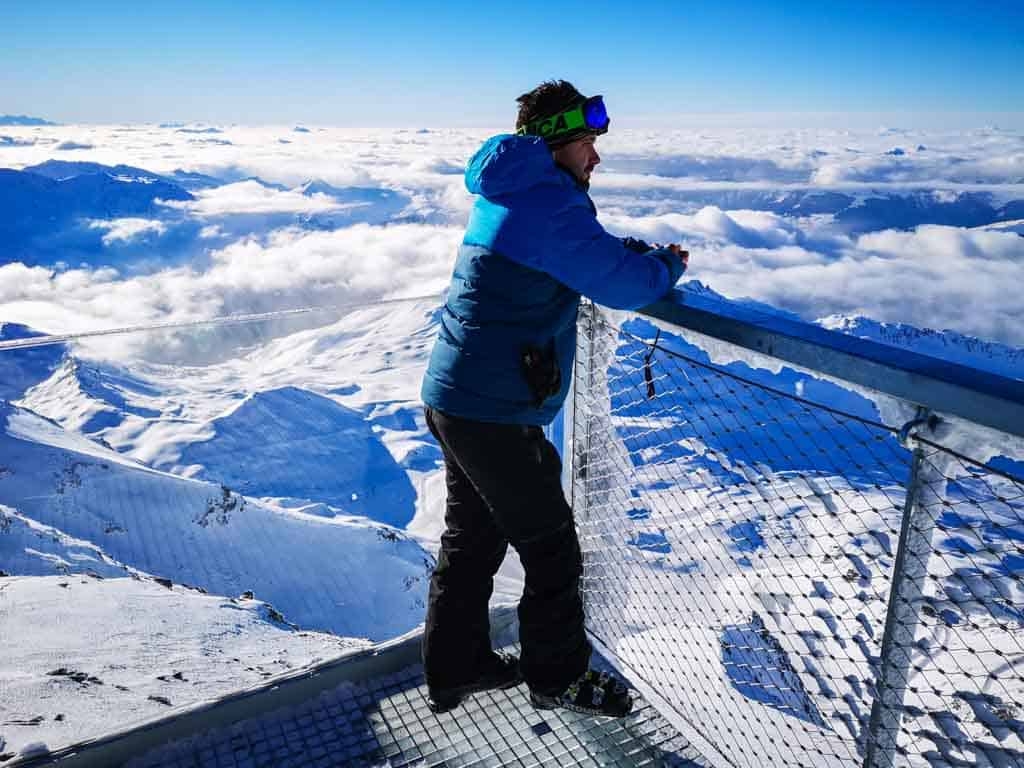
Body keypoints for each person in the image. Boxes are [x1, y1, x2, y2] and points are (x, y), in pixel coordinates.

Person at [420, 80, 688, 717]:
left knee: (472, 538)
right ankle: (557, 677)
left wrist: (619, 252)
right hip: (492, 413)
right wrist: (667, 264)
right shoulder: (546, 201)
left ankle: (457, 666)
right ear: (556, 143)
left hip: (458, 395)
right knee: (552, 547)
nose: (595, 157)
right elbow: (621, 284)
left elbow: (576, 254)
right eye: (587, 143)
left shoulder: (513, 186)